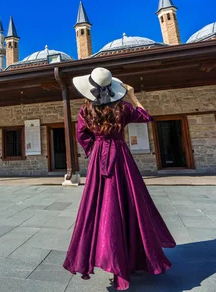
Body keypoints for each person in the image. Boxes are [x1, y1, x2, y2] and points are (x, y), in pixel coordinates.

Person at [63, 67, 176, 290]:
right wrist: (132, 95)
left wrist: (94, 149)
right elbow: (145, 116)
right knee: (130, 204)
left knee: (98, 207)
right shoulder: (122, 108)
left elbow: (81, 136)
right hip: (122, 157)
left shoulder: (85, 110)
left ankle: (108, 255)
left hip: (99, 160)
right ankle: (132, 256)